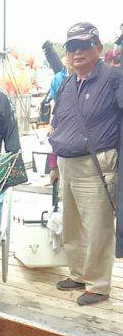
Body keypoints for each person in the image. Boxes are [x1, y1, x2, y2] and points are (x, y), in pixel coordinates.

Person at [49, 22, 123, 305]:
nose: (77, 52)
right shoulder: (68, 82)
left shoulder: (113, 78)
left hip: (96, 163)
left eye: (83, 46)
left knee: (97, 226)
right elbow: (58, 122)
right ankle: (78, 272)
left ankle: (99, 284)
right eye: (72, 47)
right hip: (68, 163)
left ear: (98, 48)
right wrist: (54, 162)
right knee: (73, 224)